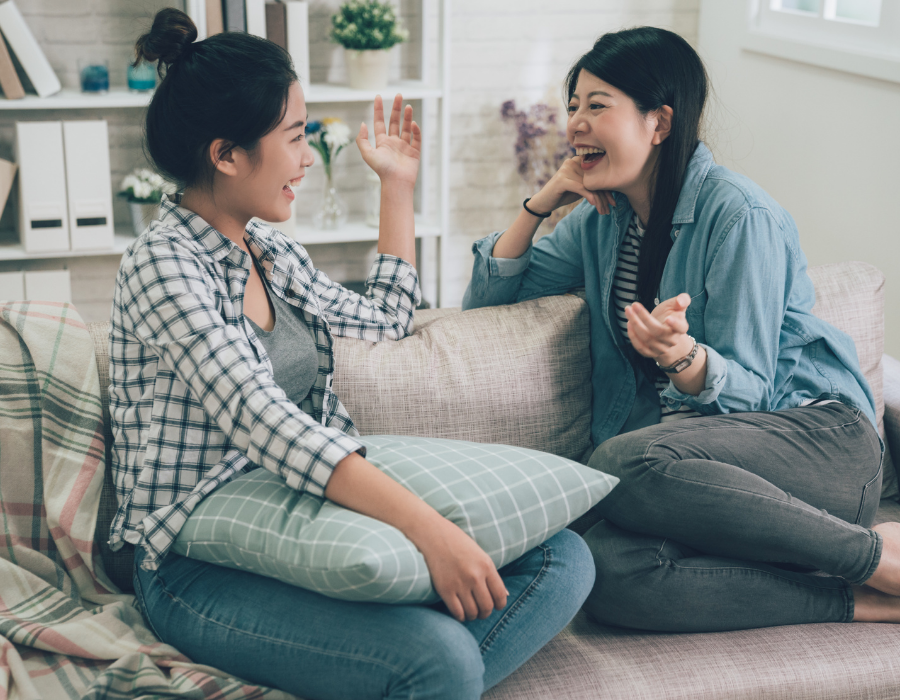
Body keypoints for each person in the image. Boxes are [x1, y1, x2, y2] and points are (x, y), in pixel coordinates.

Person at [108, 9, 594, 699]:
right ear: (225, 154)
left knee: (560, 557)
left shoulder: (269, 250)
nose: (308, 157)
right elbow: (263, 422)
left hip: (302, 525)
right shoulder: (165, 266)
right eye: (295, 136)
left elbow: (389, 319)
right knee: (442, 663)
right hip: (193, 565)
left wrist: (395, 185)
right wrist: (430, 530)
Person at [462, 25, 900, 632]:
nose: (576, 124)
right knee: (607, 572)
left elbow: (752, 390)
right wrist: (542, 202)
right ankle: (860, 602)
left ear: (659, 122)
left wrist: (684, 359)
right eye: (572, 107)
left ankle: (875, 557)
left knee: (624, 462)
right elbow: (488, 302)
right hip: (707, 475)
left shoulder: (739, 214)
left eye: (596, 106)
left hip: (818, 443)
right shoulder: (599, 220)